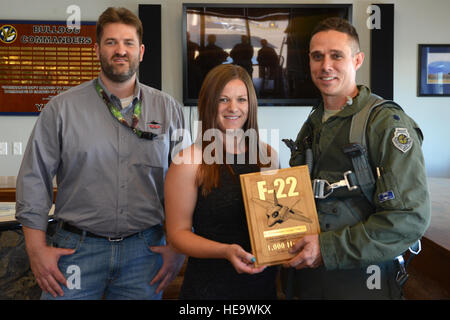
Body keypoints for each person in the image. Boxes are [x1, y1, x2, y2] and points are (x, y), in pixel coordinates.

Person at [15, 7, 189, 300]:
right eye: (111, 42)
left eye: (128, 43)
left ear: (141, 51)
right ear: (96, 49)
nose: (120, 50)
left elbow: (186, 183)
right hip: (75, 250)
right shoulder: (61, 109)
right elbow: (34, 179)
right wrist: (36, 250)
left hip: (144, 253)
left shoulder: (168, 110)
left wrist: (178, 247)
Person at [281, 17, 430, 299]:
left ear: (357, 60)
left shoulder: (385, 123)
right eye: (317, 56)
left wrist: (327, 250)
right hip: (308, 280)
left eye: (336, 55)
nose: (325, 65)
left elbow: (409, 219)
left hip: (362, 282)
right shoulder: (314, 123)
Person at [165, 64, 278, 299]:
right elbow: (177, 234)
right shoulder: (188, 161)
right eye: (223, 99)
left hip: (262, 286)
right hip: (210, 288)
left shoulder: (267, 155)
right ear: (209, 103)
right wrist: (225, 251)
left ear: (251, 104)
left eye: (241, 99)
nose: (233, 108)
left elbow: (277, 219)